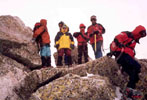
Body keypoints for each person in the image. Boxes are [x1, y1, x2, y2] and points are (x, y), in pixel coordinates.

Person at [107, 25, 146, 99]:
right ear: (138, 32)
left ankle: (129, 91)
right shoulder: (127, 34)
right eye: (140, 35)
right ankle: (128, 91)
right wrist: (120, 43)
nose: (140, 37)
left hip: (125, 57)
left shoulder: (134, 41)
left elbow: (129, 51)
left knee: (134, 73)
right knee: (137, 66)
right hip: (121, 55)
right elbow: (118, 37)